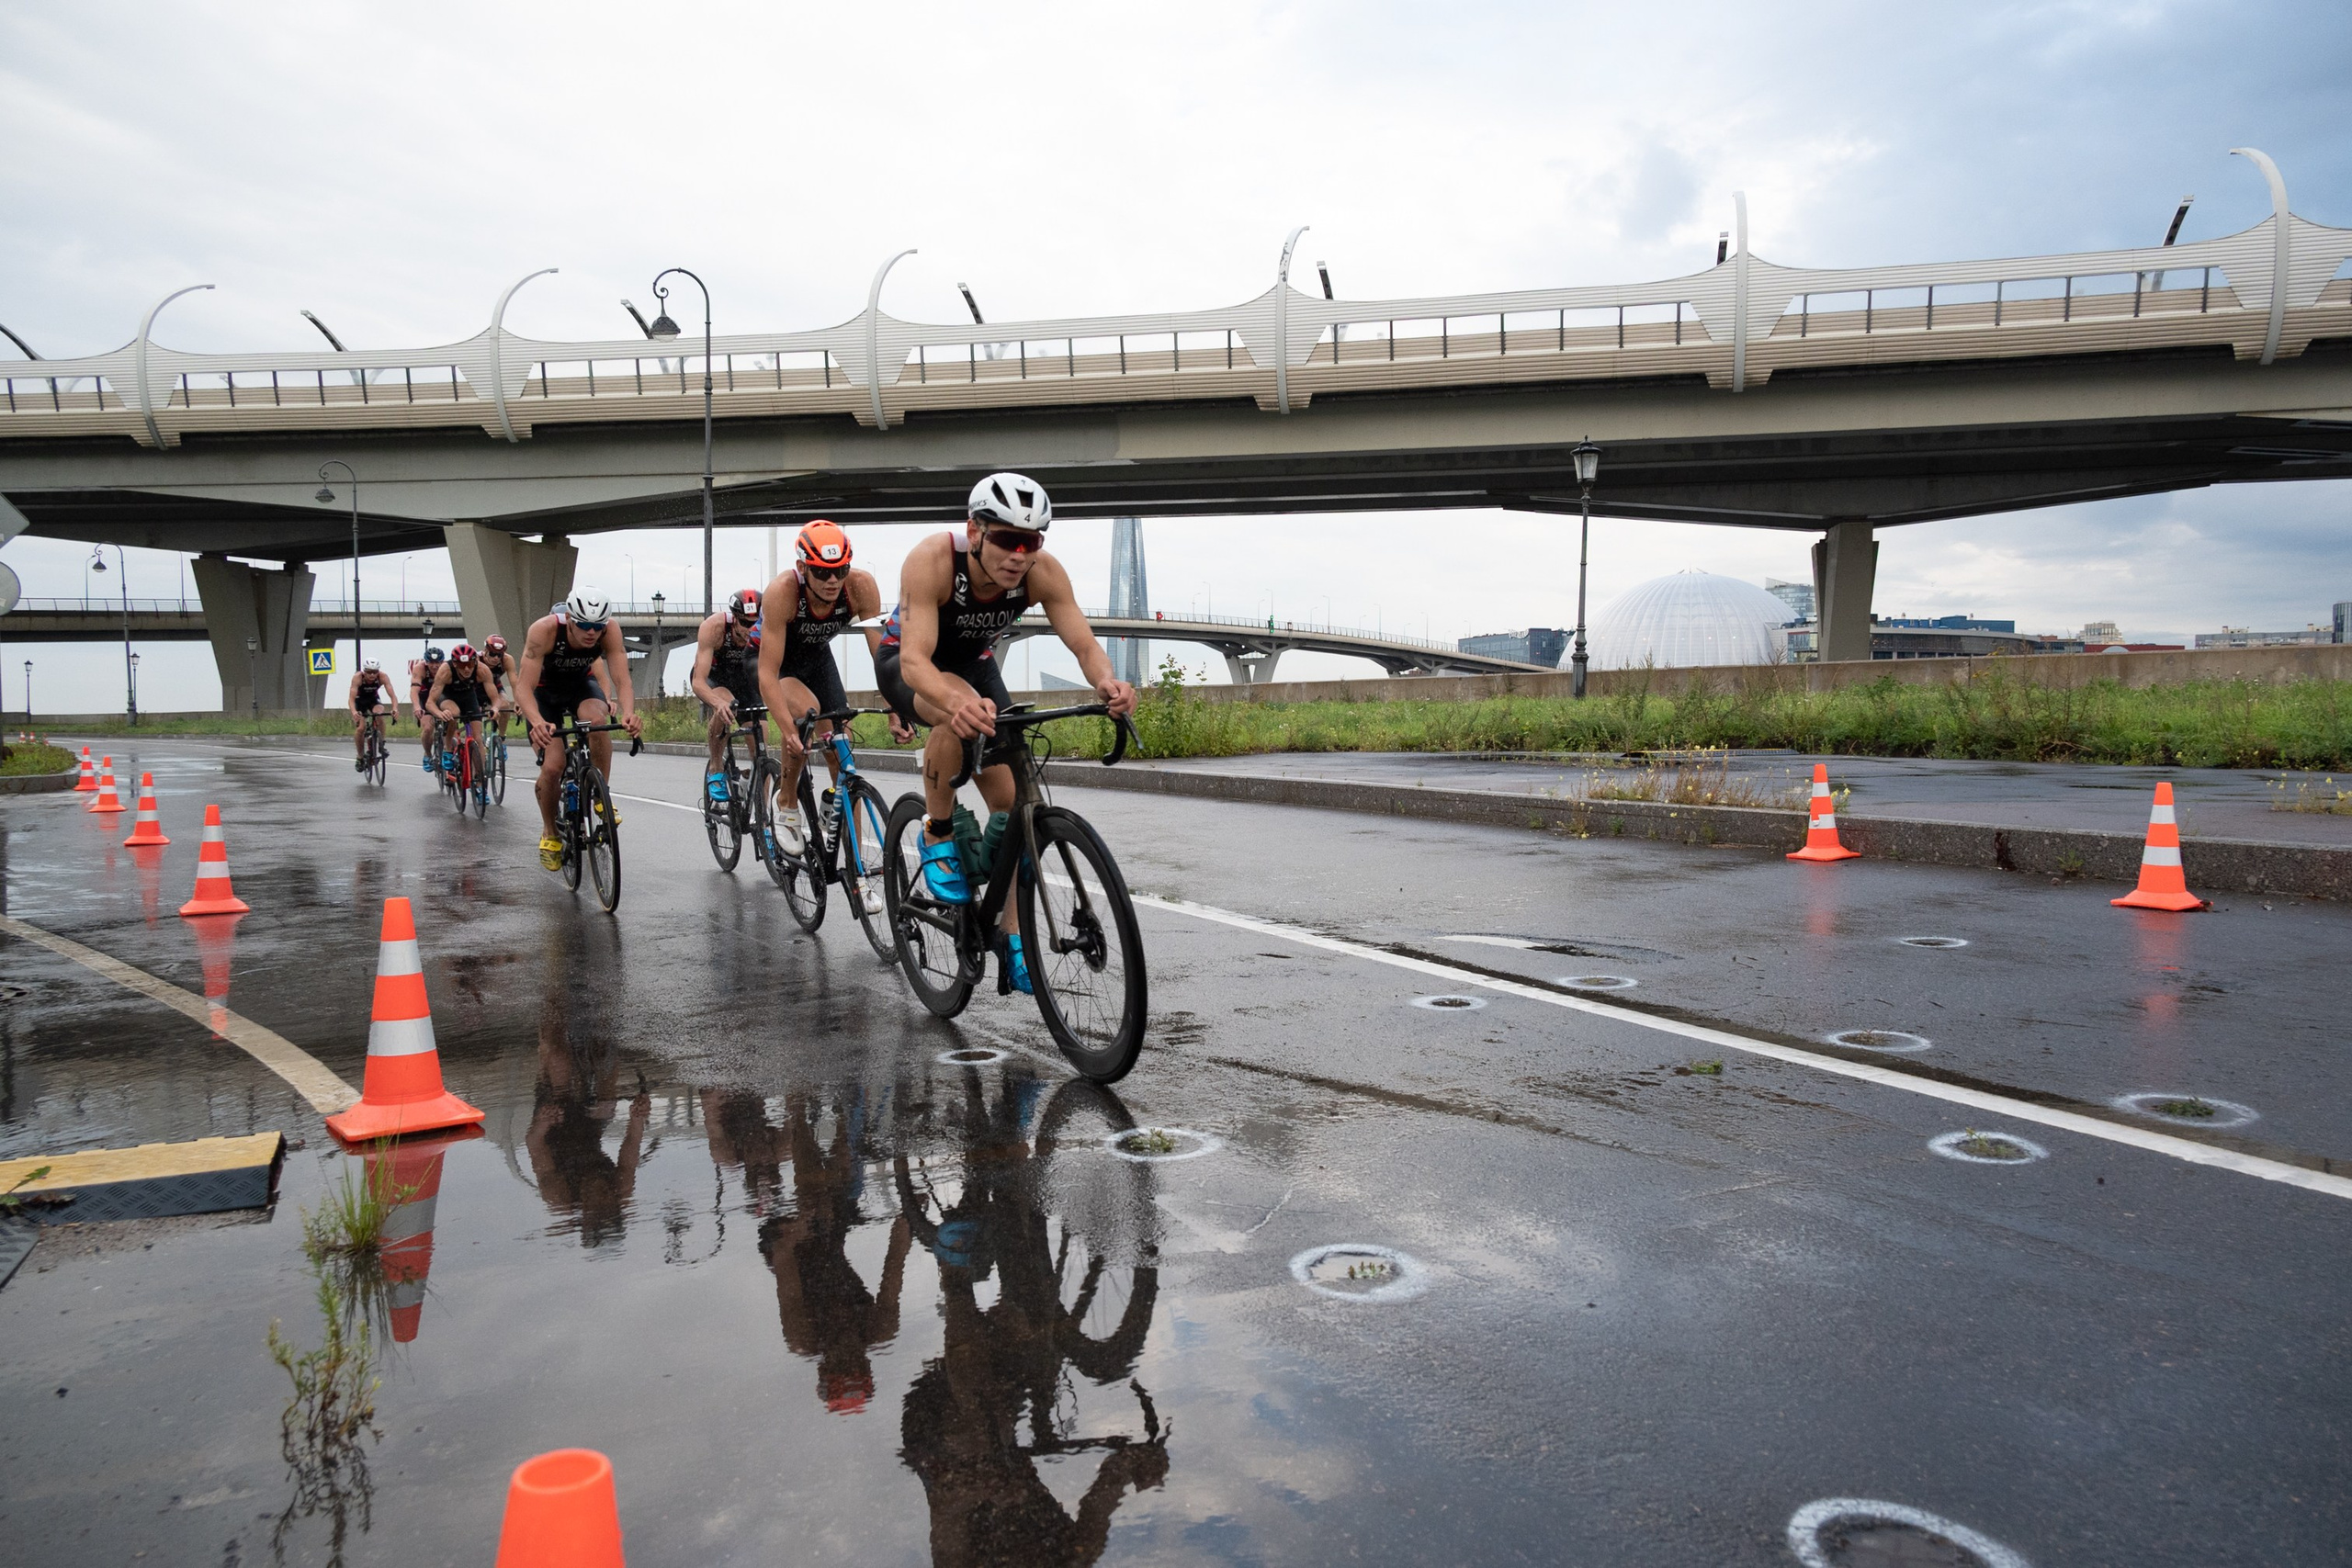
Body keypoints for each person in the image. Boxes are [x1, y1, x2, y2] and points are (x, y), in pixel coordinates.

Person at [877, 473, 1136, 992]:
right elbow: (915, 660)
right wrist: (955, 702)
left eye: (1031, 541)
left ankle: (1011, 936)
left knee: (1017, 808)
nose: (1019, 554)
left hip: (975, 665)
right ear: (974, 531)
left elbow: (1084, 644)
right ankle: (938, 834)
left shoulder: (1042, 572)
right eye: (1006, 540)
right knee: (963, 710)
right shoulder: (932, 561)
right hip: (911, 665)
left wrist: (1108, 681)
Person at [755, 521, 906, 866]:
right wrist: (789, 731)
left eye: (840, 570)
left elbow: (882, 655)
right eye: (823, 573)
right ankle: (787, 802)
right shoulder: (782, 592)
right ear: (802, 568)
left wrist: (896, 704)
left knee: (842, 748)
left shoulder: (861, 587)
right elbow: (766, 674)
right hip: (775, 663)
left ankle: (854, 863)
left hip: (817, 657)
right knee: (807, 712)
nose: (833, 581)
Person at [514, 589, 643, 872]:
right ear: (569, 619)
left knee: (597, 721)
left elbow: (622, 680)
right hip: (543, 694)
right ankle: (550, 833)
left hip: (579, 687)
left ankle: (600, 795)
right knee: (553, 766)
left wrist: (629, 712)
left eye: (597, 627)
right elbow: (523, 688)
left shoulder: (609, 631)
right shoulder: (544, 631)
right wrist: (537, 721)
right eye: (584, 625)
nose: (591, 633)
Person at [691, 587, 767, 805]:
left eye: (755, 623)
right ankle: (716, 767)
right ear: (734, 619)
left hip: (745, 679)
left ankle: (763, 820)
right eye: (744, 623)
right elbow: (698, 681)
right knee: (727, 705)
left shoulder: (766, 630)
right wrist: (716, 703)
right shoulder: (714, 628)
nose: (751, 629)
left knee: (762, 749)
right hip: (715, 678)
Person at [428, 643, 502, 782]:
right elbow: (430, 703)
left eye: (470, 664)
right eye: (462, 665)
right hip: (447, 696)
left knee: (477, 738)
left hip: (468, 696)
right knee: (453, 713)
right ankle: (448, 748)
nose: (467, 669)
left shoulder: (482, 670)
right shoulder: (445, 671)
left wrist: (495, 709)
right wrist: (439, 714)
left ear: (475, 661)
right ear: (455, 664)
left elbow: (495, 699)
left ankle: (478, 779)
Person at [346, 659, 400, 770]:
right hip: (359, 701)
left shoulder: (383, 676)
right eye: (369, 672)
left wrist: (395, 709)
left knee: (379, 714)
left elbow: (393, 695)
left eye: (375, 672)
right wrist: (354, 712)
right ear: (364, 671)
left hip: (373, 700)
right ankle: (360, 757)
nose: (372, 675)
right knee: (361, 728)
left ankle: (381, 743)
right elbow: (351, 699)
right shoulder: (357, 678)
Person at [409, 647, 447, 773]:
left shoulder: (446, 668)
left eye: (438, 663)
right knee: (428, 728)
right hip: (424, 698)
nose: (435, 666)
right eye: (431, 663)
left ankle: (449, 751)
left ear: (442, 662)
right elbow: (414, 691)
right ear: (426, 662)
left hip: (441, 697)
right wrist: (417, 707)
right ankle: (427, 754)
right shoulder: (420, 669)